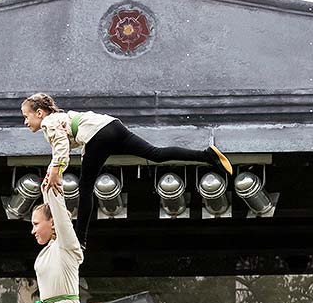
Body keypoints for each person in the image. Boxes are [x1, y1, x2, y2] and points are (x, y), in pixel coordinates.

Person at [21, 93, 232, 248]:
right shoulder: (62, 118)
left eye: (26, 116)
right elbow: (61, 150)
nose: (25, 121)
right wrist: (53, 171)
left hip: (98, 136)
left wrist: (56, 171)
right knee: (155, 153)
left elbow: (60, 148)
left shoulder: (49, 122)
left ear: (39, 113)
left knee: (85, 188)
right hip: (113, 126)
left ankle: (81, 239)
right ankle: (207, 155)